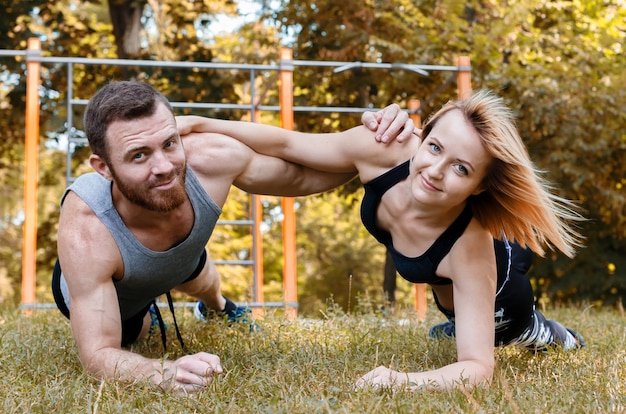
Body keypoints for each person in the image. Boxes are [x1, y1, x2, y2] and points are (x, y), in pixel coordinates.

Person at [176, 89, 586, 391]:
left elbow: (478, 368)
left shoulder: (470, 248)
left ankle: (550, 332)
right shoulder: (386, 149)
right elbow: (287, 143)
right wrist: (197, 124)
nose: (435, 171)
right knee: (456, 323)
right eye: (435, 147)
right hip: (455, 295)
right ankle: (457, 325)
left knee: (514, 331)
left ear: (479, 186)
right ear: (422, 136)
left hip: (501, 284)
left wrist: (401, 380)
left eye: (461, 168)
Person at [51, 80, 414, 394]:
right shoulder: (87, 229)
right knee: (136, 334)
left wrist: (376, 143)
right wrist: (162, 372)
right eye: (138, 155)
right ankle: (149, 315)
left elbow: (304, 176)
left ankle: (219, 308)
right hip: (122, 289)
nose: (163, 168)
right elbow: (98, 354)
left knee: (202, 276)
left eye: (169, 143)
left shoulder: (209, 158)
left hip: (184, 261)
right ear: (104, 168)